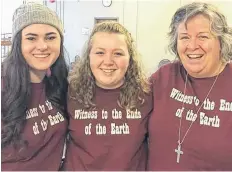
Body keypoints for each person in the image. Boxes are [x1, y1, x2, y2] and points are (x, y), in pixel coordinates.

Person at [148, 2, 232, 171]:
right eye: (184, 37)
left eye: (203, 36)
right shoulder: (164, 77)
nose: (192, 46)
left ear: (221, 42)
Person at [64, 21, 153, 170]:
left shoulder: (146, 95)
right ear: (88, 57)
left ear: (130, 58)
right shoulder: (70, 93)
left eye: (118, 53)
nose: (108, 61)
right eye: (100, 52)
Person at [1, 2, 68, 171]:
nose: (42, 46)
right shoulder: (4, 87)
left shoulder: (59, 85)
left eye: (51, 37)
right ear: (18, 43)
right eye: (31, 38)